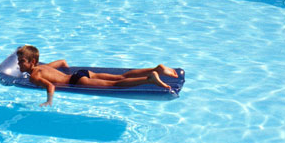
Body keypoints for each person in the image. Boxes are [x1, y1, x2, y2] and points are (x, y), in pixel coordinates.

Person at [15, 45, 177, 106]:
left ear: (32, 62)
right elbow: (62, 62)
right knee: (121, 76)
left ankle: (149, 79)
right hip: (82, 73)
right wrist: (65, 68)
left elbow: (50, 86)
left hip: (77, 81)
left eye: (22, 61)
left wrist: (48, 101)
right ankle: (156, 69)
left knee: (115, 85)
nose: (19, 64)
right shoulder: (43, 67)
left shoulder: (33, 77)